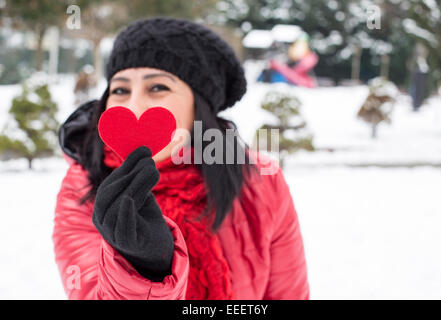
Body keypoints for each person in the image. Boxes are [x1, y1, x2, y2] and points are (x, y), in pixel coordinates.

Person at [53, 17, 309, 300]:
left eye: (158, 87)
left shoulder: (259, 179)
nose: (133, 105)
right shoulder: (84, 185)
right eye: (121, 90)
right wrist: (142, 268)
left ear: (199, 107)